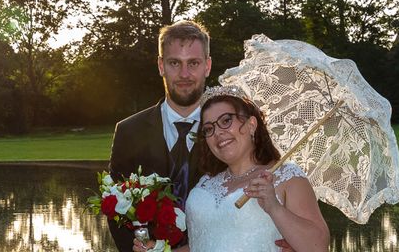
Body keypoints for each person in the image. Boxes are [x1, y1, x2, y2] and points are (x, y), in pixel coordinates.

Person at [134, 86, 330, 252]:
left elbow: (319, 246)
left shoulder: (287, 177)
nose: (218, 132)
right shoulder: (206, 182)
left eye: (226, 120)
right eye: (209, 128)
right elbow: (200, 245)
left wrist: (274, 207)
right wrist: (158, 250)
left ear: (251, 124)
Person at [108, 20, 211, 251]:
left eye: (193, 63)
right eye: (175, 63)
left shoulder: (229, 132)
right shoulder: (128, 132)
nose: (185, 74)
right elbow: (117, 211)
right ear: (161, 65)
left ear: (207, 65)